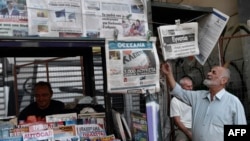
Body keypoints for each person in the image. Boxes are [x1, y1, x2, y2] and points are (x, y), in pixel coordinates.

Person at [161, 62, 247, 141]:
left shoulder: (233, 102)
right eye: (210, 71)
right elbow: (179, 92)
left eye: (214, 72)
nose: (208, 73)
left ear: (223, 80)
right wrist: (169, 74)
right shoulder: (198, 96)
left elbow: (240, 132)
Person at [170, 75, 193, 141]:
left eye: (191, 86)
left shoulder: (194, 97)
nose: (191, 88)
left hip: (195, 127)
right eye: (188, 86)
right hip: (181, 129)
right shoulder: (175, 100)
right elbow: (177, 121)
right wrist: (188, 133)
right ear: (181, 87)